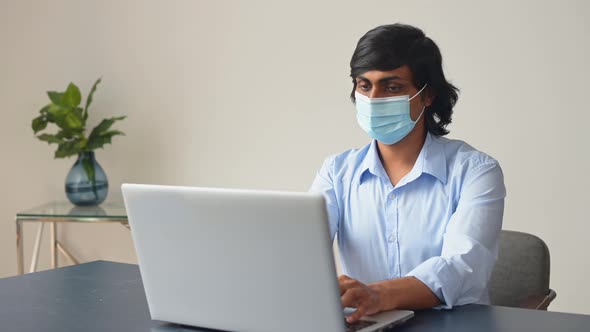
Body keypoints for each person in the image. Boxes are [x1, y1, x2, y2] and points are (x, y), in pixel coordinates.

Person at [309, 23, 506, 323]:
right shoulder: (336, 173)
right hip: (364, 324)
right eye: (364, 85)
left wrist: (378, 294)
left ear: (428, 95)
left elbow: (462, 267)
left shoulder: (476, 172)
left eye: (392, 87)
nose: (374, 99)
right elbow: (302, 249)